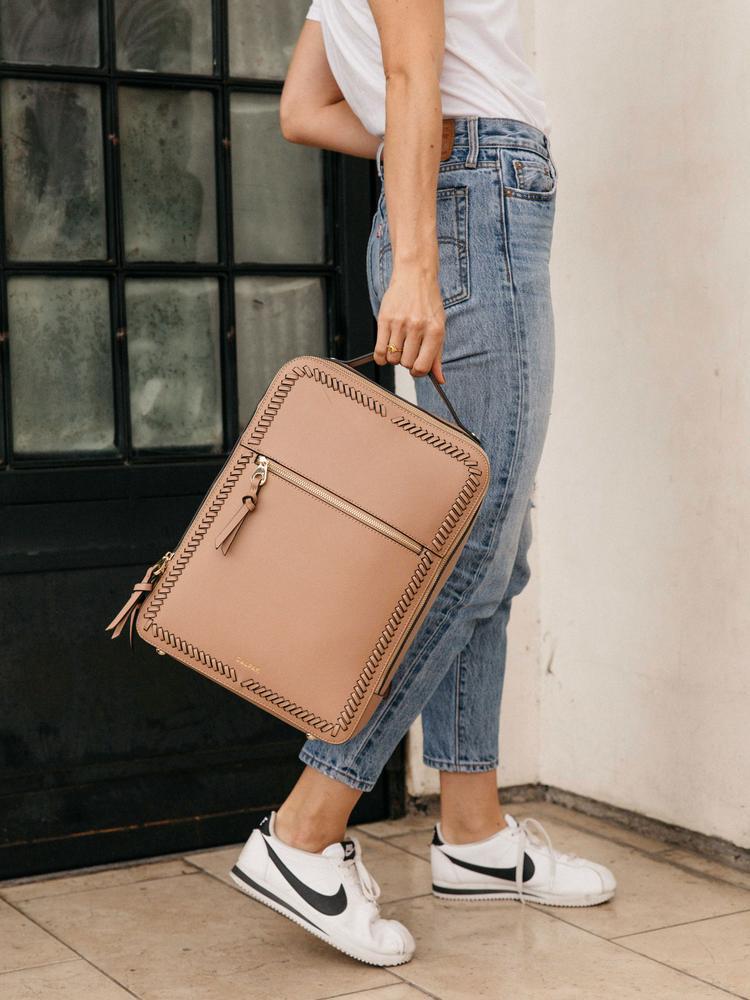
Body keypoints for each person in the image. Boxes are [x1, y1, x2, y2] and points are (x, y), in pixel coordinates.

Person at [229, 0, 616, 966]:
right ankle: (305, 829)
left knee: (492, 547)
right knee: (471, 547)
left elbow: (303, 107)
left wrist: (423, 163)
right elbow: (409, 76)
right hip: (474, 218)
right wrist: (417, 258)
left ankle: (477, 835)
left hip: (462, 204)